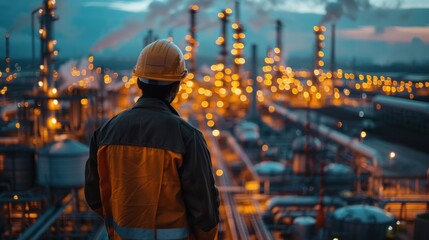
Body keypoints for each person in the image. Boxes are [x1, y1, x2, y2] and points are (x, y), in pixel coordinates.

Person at [85, 39, 219, 240]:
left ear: (139, 82)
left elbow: (94, 199)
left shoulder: (105, 132)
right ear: (176, 87)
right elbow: (205, 213)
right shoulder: (187, 137)